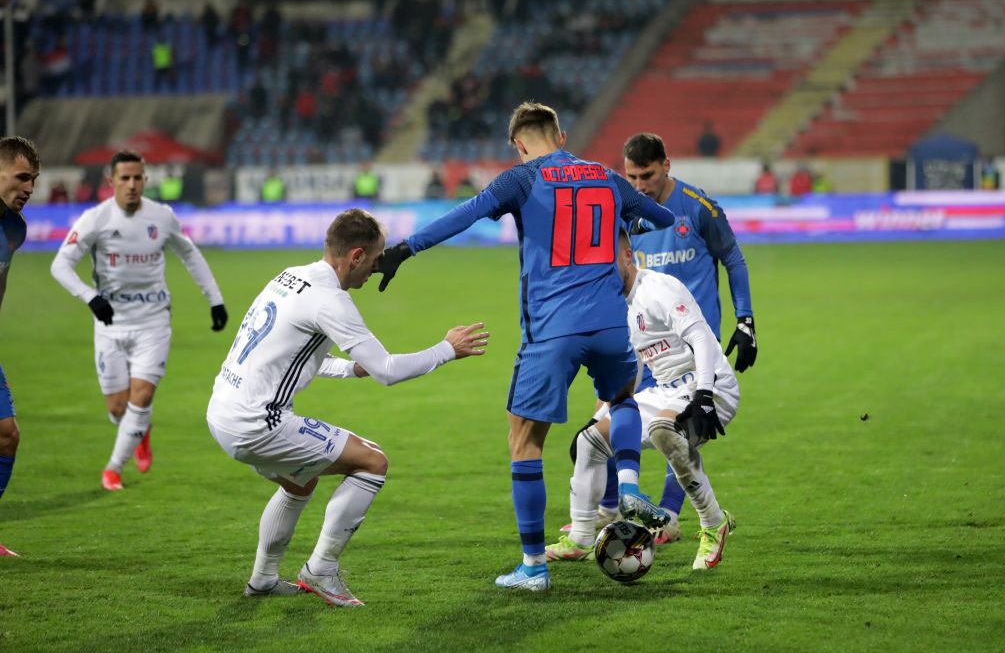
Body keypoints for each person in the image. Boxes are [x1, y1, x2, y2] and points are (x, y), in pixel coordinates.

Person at [374, 102, 676, 591]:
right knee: (621, 400)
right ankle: (628, 486)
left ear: (518, 144)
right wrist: (624, 223)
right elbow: (660, 216)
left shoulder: (521, 178)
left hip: (552, 330)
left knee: (525, 442)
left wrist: (403, 250)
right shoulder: (606, 177)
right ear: (561, 134)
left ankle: (534, 567)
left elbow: (465, 215)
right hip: (610, 325)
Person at [206, 208, 489, 607]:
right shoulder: (330, 300)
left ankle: (263, 580)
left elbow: (285, 351)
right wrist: (446, 349)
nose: (376, 269)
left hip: (222, 410)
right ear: (356, 256)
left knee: (300, 482)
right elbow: (387, 370)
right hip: (258, 423)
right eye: (375, 259)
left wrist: (350, 369)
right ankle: (321, 569)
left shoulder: (290, 276)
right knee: (372, 462)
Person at [547, 230, 737, 570]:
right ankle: (581, 537)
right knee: (590, 440)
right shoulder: (614, 305)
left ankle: (713, 523)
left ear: (627, 256)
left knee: (665, 430)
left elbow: (701, 337)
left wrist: (705, 394)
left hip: (710, 383)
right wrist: (608, 410)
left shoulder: (658, 288)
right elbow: (632, 366)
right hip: (666, 389)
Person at [607, 132, 756, 543]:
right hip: (647, 340)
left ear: (667, 166)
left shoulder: (697, 205)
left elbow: (733, 257)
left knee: (676, 429)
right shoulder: (628, 215)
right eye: (632, 177)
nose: (640, 186)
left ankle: (669, 516)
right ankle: (606, 510)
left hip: (692, 345)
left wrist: (745, 319)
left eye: (648, 176)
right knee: (613, 419)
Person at [50, 150, 229, 491]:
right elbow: (60, 265)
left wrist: (215, 300)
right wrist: (91, 297)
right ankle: (140, 430)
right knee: (119, 408)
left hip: (153, 322)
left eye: (137, 178)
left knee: (142, 397)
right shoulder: (95, 219)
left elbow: (190, 255)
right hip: (110, 325)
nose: (131, 185)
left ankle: (113, 469)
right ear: (111, 181)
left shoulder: (161, 216)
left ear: (145, 180)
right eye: (125, 178)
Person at [0, 136, 41, 557]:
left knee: (7, 436)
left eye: (34, 180)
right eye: (22, 177)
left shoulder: (14, 229)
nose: (29, 188)